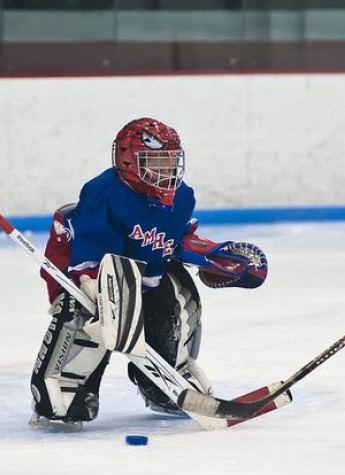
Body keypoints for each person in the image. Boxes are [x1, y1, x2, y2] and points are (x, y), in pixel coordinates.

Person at [29, 117, 268, 431]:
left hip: (142, 272)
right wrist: (94, 287)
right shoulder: (105, 192)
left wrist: (209, 255)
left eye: (169, 162)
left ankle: (166, 382)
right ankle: (65, 389)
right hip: (86, 270)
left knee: (178, 296)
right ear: (127, 161)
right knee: (88, 315)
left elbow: (172, 238)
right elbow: (91, 250)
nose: (165, 171)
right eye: (154, 161)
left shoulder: (182, 197)